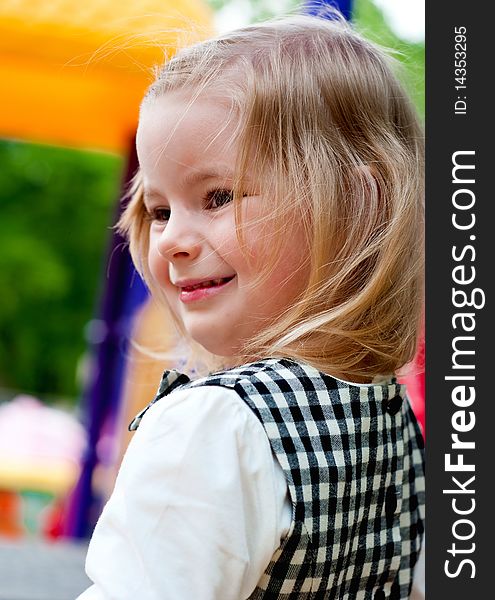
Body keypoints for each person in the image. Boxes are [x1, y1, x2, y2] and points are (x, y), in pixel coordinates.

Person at [77, 10, 425, 600]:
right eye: (159, 211)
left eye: (217, 197)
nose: (171, 240)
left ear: (357, 206)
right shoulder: (389, 420)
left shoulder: (215, 429)